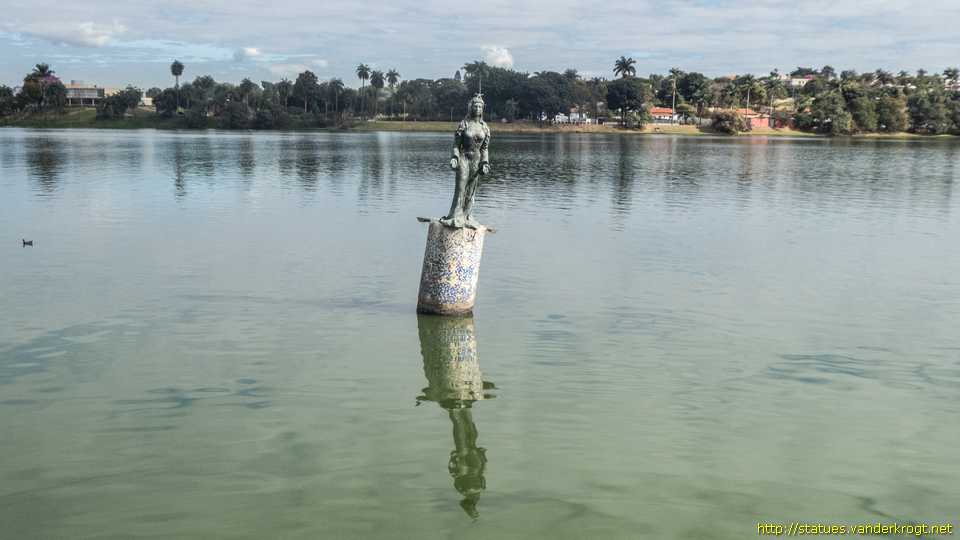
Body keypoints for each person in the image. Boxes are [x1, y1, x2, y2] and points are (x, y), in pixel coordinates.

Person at [442, 94, 490, 229]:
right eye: (475, 105)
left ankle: (467, 215)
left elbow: (485, 148)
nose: (478, 108)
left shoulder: (485, 127)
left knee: (471, 189)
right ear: (471, 107)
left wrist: (485, 163)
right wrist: (454, 157)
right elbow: (456, 145)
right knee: (461, 187)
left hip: (477, 160)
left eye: (480, 106)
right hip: (464, 157)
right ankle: (455, 216)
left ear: (482, 109)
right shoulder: (464, 124)